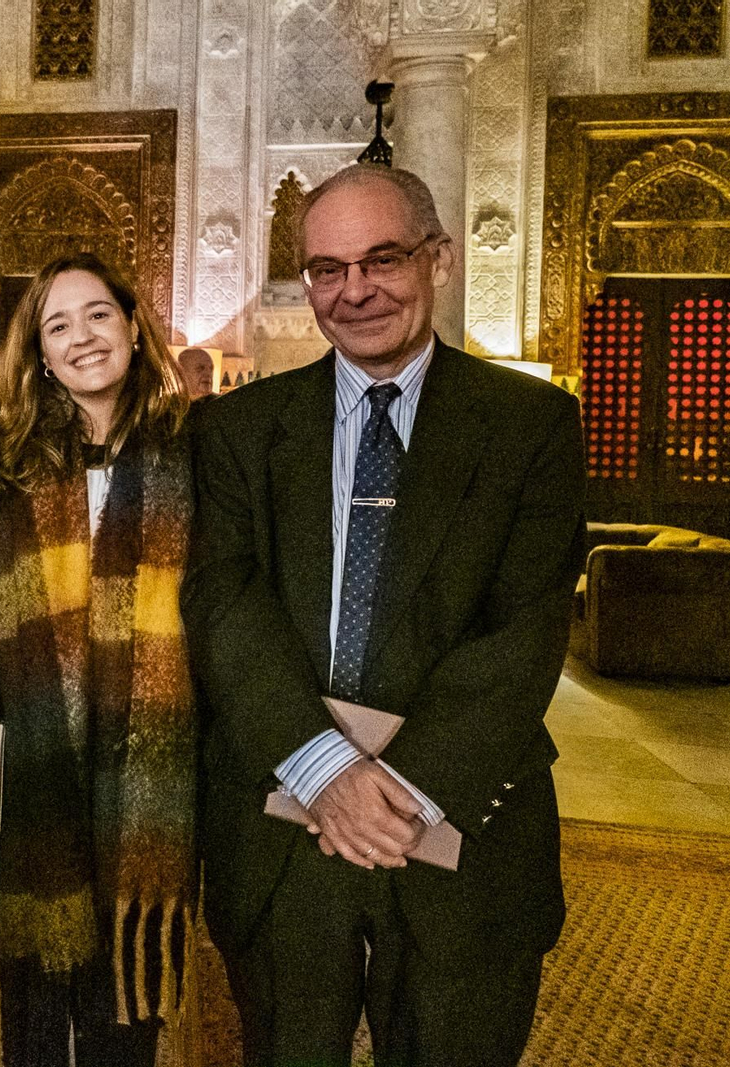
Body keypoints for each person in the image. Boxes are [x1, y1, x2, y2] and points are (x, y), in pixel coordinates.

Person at [187, 164, 585, 1067]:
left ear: (438, 259)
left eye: (383, 259)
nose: (354, 290)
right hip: (287, 828)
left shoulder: (531, 426)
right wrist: (326, 770)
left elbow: (523, 632)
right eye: (327, 268)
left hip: (458, 827)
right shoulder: (237, 431)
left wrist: (393, 791)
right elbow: (224, 605)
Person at [0, 252, 200, 1067]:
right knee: (32, 1026)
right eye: (58, 325)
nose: (83, 337)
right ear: (39, 354)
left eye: (98, 314)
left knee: (123, 1025)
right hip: (34, 781)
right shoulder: (2, 469)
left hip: (149, 782)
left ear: (133, 325)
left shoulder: (195, 458)